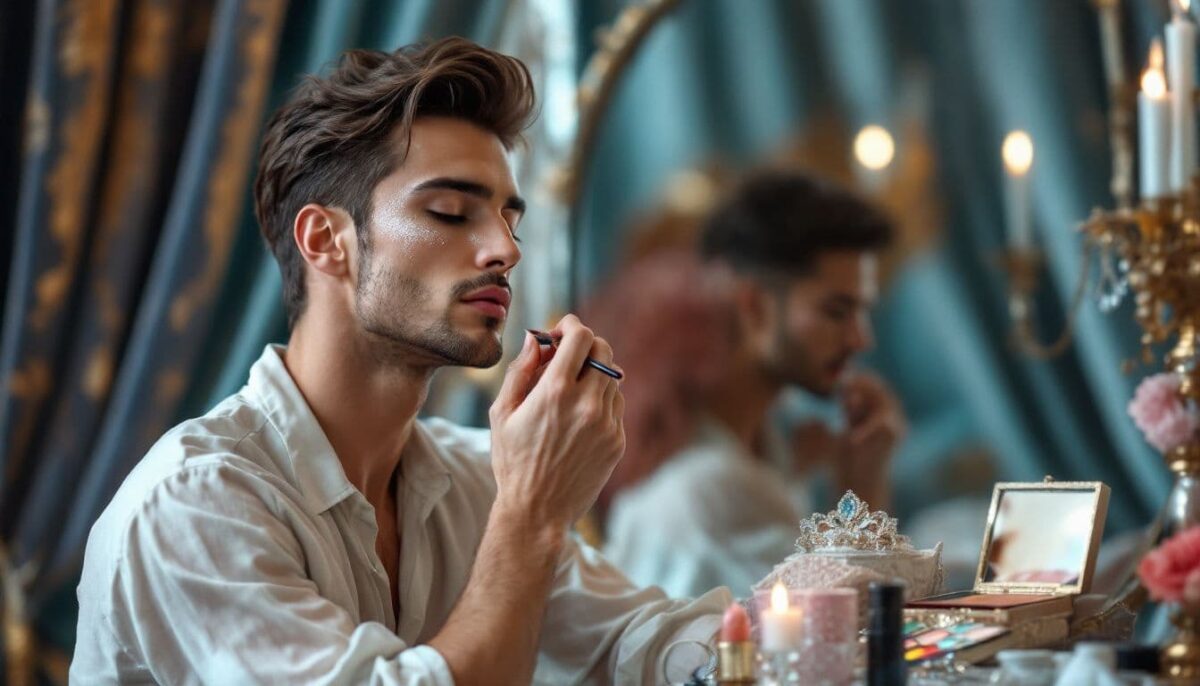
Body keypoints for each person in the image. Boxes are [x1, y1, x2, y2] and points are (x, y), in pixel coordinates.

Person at [70, 37, 734, 685]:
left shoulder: (476, 479)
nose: (505, 248)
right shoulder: (196, 504)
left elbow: (638, 646)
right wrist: (531, 516)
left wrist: (828, 580)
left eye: (510, 220)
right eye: (449, 212)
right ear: (326, 240)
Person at [602, 170, 908, 599]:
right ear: (754, 306)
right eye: (837, 312)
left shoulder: (766, 450)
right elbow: (827, 636)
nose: (861, 339)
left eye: (862, 312)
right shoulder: (704, 488)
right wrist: (862, 493)